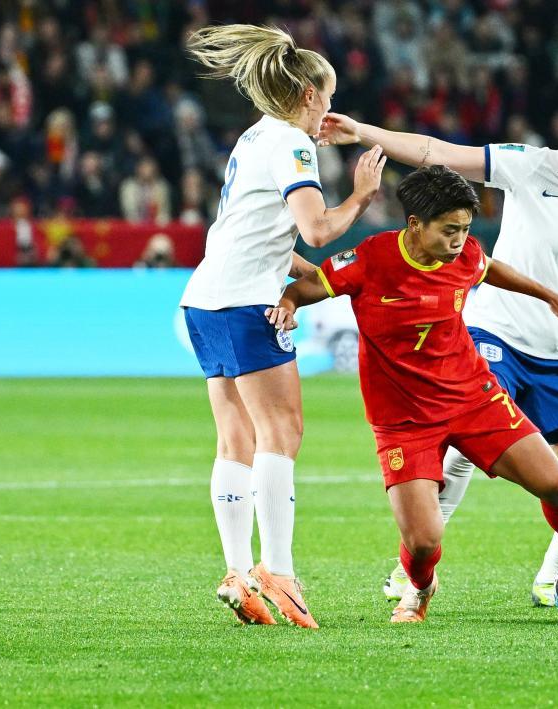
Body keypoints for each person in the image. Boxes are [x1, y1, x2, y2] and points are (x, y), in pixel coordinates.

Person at [319, 62, 558, 606]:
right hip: (496, 332)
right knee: (463, 440)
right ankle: (410, 568)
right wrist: (363, 132)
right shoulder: (532, 166)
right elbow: (435, 152)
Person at [266, 166, 558, 623]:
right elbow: (310, 285)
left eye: (465, 229)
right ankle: (420, 588)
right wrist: (287, 303)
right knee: (422, 542)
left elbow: (489, 268)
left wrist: (548, 296)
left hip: (473, 399)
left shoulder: (466, 254)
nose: (460, 240)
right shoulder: (372, 258)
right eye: (449, 230)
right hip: (403, 420)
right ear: (415, 224)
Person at [178, 24, 386, 629]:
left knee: (234, 439)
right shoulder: (294, 144)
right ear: (307, 95)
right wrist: (362, 197)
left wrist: (307, 276)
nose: (328, 110)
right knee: (282, 431)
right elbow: (317, 228)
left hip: (204, 300)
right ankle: (280, 570)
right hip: (245, 303)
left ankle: (238, 572)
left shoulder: (254, 135)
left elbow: (258, 232)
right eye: (328, 97)